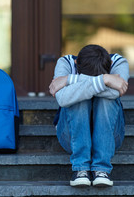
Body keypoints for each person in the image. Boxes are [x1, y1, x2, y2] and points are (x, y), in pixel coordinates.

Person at [49, 44, 129, 187]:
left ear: (110, 65)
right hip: (70, 136)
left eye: (104, 76)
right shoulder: (65, 63)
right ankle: (81, 169)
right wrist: (105, 80)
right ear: (76, 64)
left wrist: (69, 80)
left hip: (111, 137)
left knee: (106, 98)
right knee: (77, 98)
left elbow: (116, 92)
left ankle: (101, 170)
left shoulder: (118, 62)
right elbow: (62, 98)